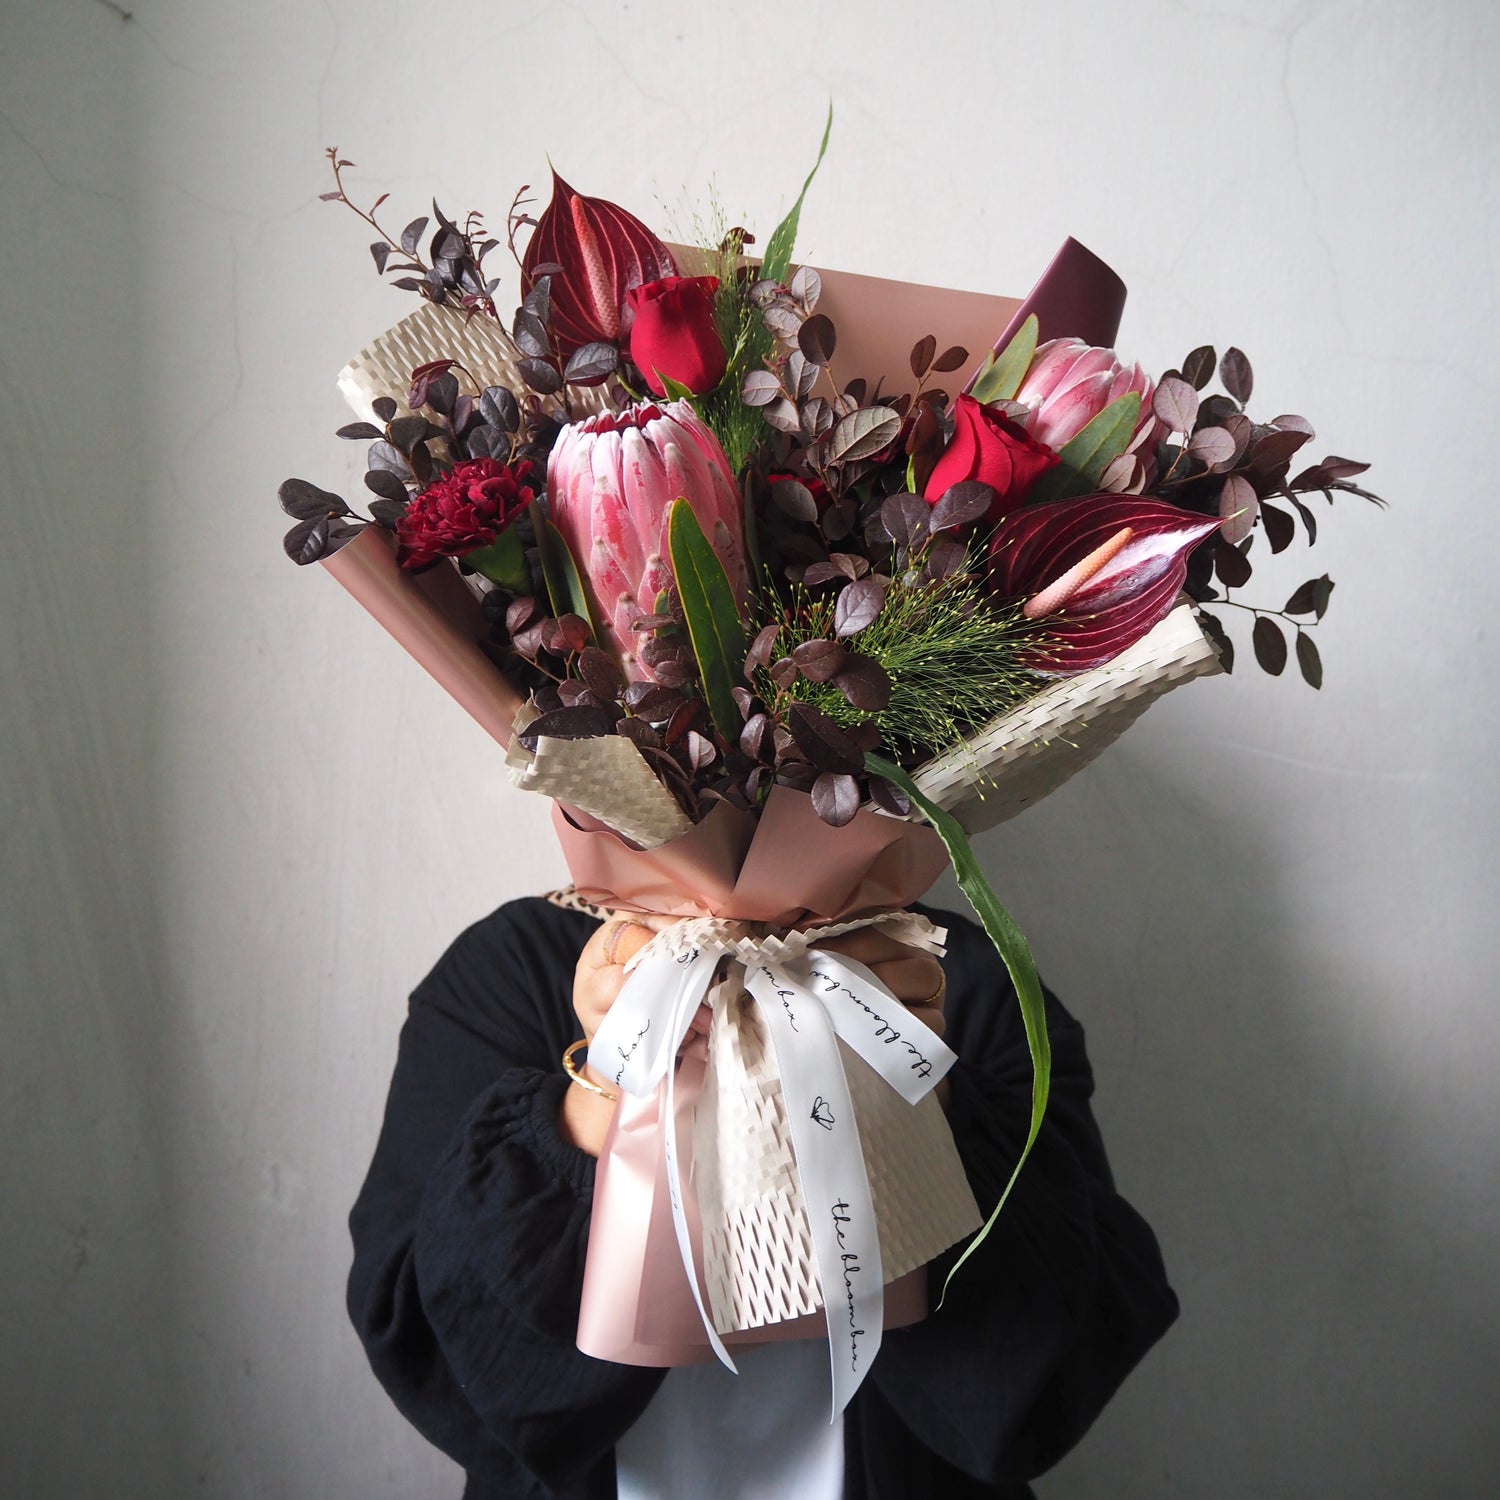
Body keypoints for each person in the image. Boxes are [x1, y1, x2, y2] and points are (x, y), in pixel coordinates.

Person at [347, 892, 1179, 1498]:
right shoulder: (513, 969)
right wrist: (608, 1083)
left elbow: (1065, 1357)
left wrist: (915, 1083)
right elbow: (424, 1331)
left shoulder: (957, 977)